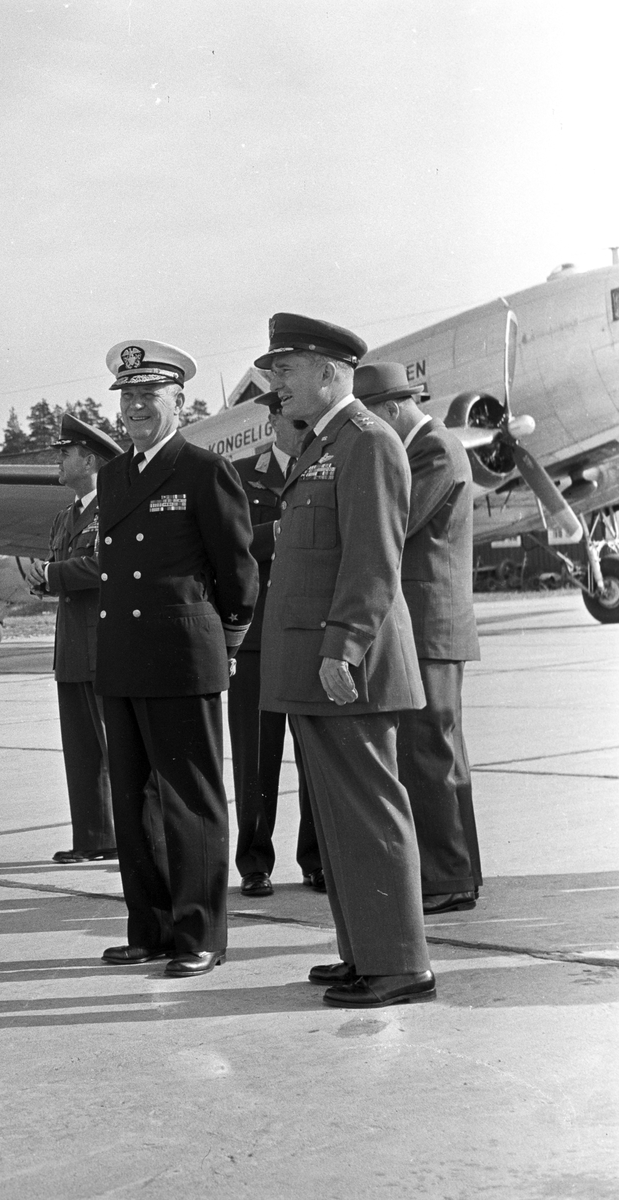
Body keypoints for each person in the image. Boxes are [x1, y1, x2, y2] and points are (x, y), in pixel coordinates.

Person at [257, 314, 433, 1009]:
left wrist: (345, 647)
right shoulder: (322, 443)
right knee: (337, 819)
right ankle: (364, 951)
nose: (277, 385)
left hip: (345, 665)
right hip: (318, 665)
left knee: (369, 812)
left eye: (287, 371)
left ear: (330, 371)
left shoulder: (367, 441)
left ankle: (400, 965)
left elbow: (373, 557)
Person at [93, 339, 258, 978]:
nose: (135, 407)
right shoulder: (114, 475)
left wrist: (231, 640)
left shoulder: (201, 470)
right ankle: (151, 927)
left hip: (181, 655)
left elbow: (236, 571)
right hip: (123, 656)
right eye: (128, 396)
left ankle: (201, 934)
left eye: (149, 396)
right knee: (132, 802)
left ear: (177, 401)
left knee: (190, 800)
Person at [353, 361, 483, 914]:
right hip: (432, 625)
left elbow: (396, 525)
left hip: (430, 625)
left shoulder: (431, 450)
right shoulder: (432, 446)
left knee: (428, 752)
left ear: (389, 410)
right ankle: (457, 874)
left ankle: (447, 877)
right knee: (439, 753)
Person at [227, 390, 323, 898]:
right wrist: (283, 532)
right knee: (255, 757)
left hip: (310, 632)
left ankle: (316, 859)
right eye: (291, 415)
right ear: (271, 420)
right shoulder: (242, 474)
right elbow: (229, 542)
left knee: (315, 755)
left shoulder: (329, 464)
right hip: (258, 637)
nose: (302, 423)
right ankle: (254, 863)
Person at [24, 412, 124, 864]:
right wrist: (43, 578)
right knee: (82, 749)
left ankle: (129, 837)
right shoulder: (67, 516)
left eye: (65, 453)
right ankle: (93, 837)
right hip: (73, 647)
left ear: (90, 459)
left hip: (106, 644)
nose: (58, 460)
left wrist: (49, 575)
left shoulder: (117, 507)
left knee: (116, 747)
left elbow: (105, 568)